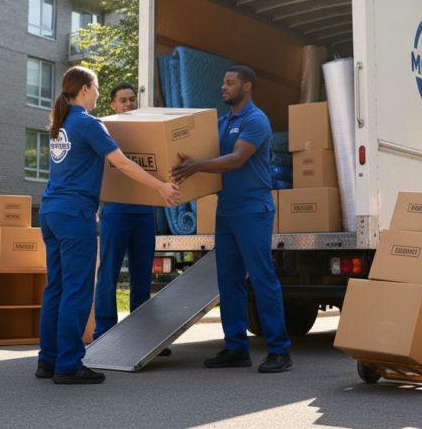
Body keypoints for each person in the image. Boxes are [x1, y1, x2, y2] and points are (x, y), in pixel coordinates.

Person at [36, 67, 181, 385]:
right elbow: (123, 163)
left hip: (50, 212)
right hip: (75, 216)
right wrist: (160, 187)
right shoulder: (89, 123)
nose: (99, 94)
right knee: (77, 289)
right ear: (86, 89)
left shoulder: (59, 125)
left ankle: (48, 360)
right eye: (97, 88)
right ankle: (69, 364)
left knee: (56, 288)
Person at [170, 65, 292, 373]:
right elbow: (205, 158)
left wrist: (198, 167)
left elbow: (237, 159)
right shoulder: (222, 122)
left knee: (262, 278)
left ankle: (280, 350)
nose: (223, 87)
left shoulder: (256, 119)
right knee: (228, 280)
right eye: (223, 82)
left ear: (247, 86)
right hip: (226, 211)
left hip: (253, 209)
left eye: (230, 82)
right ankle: (236, 347)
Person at [92, 82, 170, 357]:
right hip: (114, 211)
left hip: (144, 211)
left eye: (132, 100)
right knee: (108, 275)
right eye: (123, 101)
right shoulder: (103, 129)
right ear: (112, 105)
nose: (128, 104)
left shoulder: (146, 130)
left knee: (141, 277)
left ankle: (142, 337)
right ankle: (104, 333)